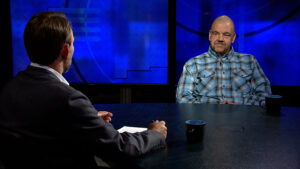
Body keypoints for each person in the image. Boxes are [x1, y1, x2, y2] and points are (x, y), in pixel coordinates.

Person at [0, 11, 167, 169]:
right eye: (73, 43)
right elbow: (120, 147)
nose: (74, 48)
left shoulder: (11, 88)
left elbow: (39, 125)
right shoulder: (69, 99)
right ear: (65, 50)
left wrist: (86, 120)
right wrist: (155, 133)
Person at [176, 15, 271, 106]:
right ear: (210, 35)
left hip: (244, 120)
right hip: (206, 120)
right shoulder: (193, 65)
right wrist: (213, 106)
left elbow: (265, 97)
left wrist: (240, 106)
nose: (220, 39)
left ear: (233, 38)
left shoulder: (250, 62)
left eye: (226, 35)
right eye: (216, 33)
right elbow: (182, 99)